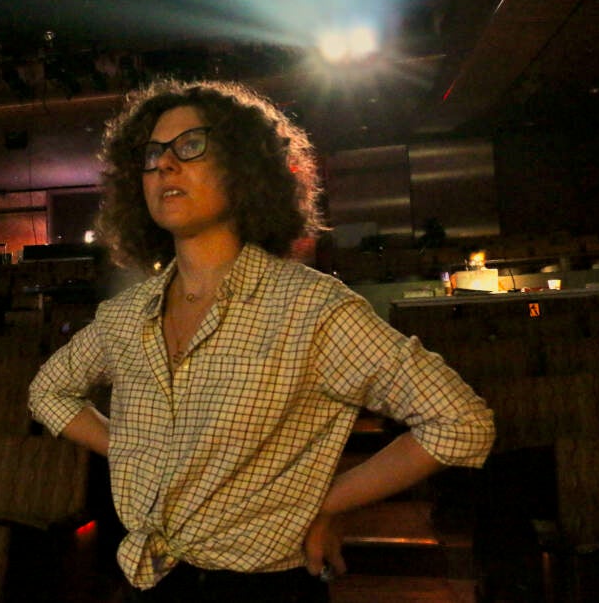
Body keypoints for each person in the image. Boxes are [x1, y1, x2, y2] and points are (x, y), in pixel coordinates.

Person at [28, 79, 495, 602]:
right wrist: (138, 450)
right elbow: (49, 391)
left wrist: (328, 502)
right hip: (150, 579)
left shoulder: (310, 308)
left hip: (262, 589)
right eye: (152, 153)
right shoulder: (127, 315)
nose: (163, 165)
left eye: (191, 146)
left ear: (244, 167)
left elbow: (461, 423)